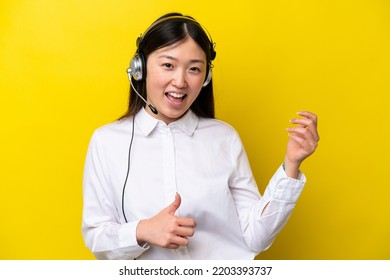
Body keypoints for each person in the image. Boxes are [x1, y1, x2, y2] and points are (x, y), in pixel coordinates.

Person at [82, 12, 319, 260]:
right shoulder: (107, 142)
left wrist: (291, 164)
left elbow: (255, 237)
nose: (180, 81)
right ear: (139, 69)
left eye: (194, 69)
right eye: (168, 65)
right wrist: (142, 231)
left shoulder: (224, 138)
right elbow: (97, 238)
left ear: (205, 77)